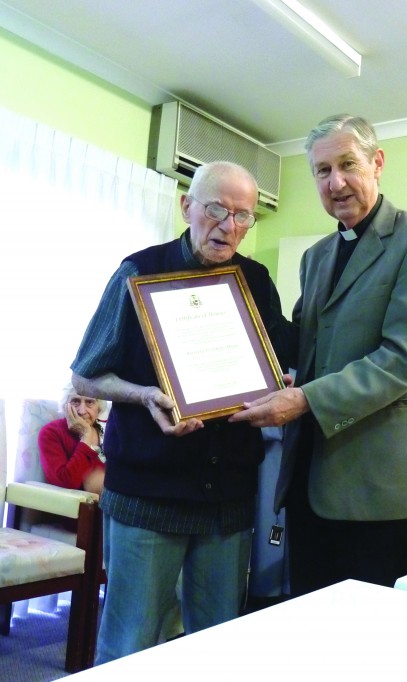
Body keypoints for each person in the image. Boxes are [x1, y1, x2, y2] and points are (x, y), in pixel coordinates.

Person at [71, 160, 296, 663]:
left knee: (215, 649)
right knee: (130, 645)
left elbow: (280, 356)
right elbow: (86, 375)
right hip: (148, 496)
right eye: (217, 209)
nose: (229, 225)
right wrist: (146, 395)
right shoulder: (139, 270)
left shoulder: (255, 279)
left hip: (227, 502)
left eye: (243, 215)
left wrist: (280, 381)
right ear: (186, 206)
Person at [229, 114, 407, 594]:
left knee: (368, 639)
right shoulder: (316, 256)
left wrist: (306, 398)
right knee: (311, 622)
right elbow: (304, 348)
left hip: (379, 483)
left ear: (377, 163)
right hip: (310, 476)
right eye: (321, 170)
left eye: (348, 164)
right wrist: (237, 291)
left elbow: (404, 356)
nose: (336, 182)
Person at [39, 384, 107, 494]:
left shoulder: (108, 433)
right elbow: (65, 482)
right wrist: (86, 437)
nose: (82, 411)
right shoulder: (51, 432)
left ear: (98, 408)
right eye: (75, 401)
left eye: (89, 402)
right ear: (65, 406)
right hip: (72, 508)